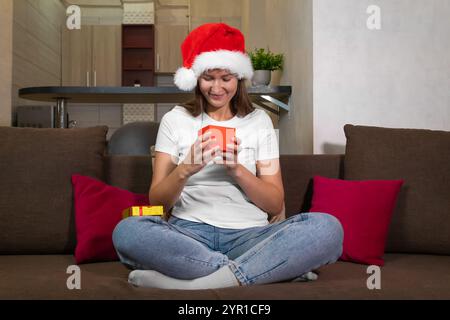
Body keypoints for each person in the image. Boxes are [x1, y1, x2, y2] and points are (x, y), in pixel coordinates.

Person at [112, 23, 343, 290]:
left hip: (251, 236)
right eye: (208, 77)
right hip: (187, 234)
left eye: (226, 78)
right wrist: (186, 168)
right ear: (195, 78)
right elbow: (157, 200)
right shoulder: (175, 120)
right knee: (127, 231)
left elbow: (274, 202)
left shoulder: (259, 122)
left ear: (239, 78)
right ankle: (264, 269)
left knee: (328, 228)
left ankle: (194, 284)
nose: (217, 88)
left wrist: (237, 169)